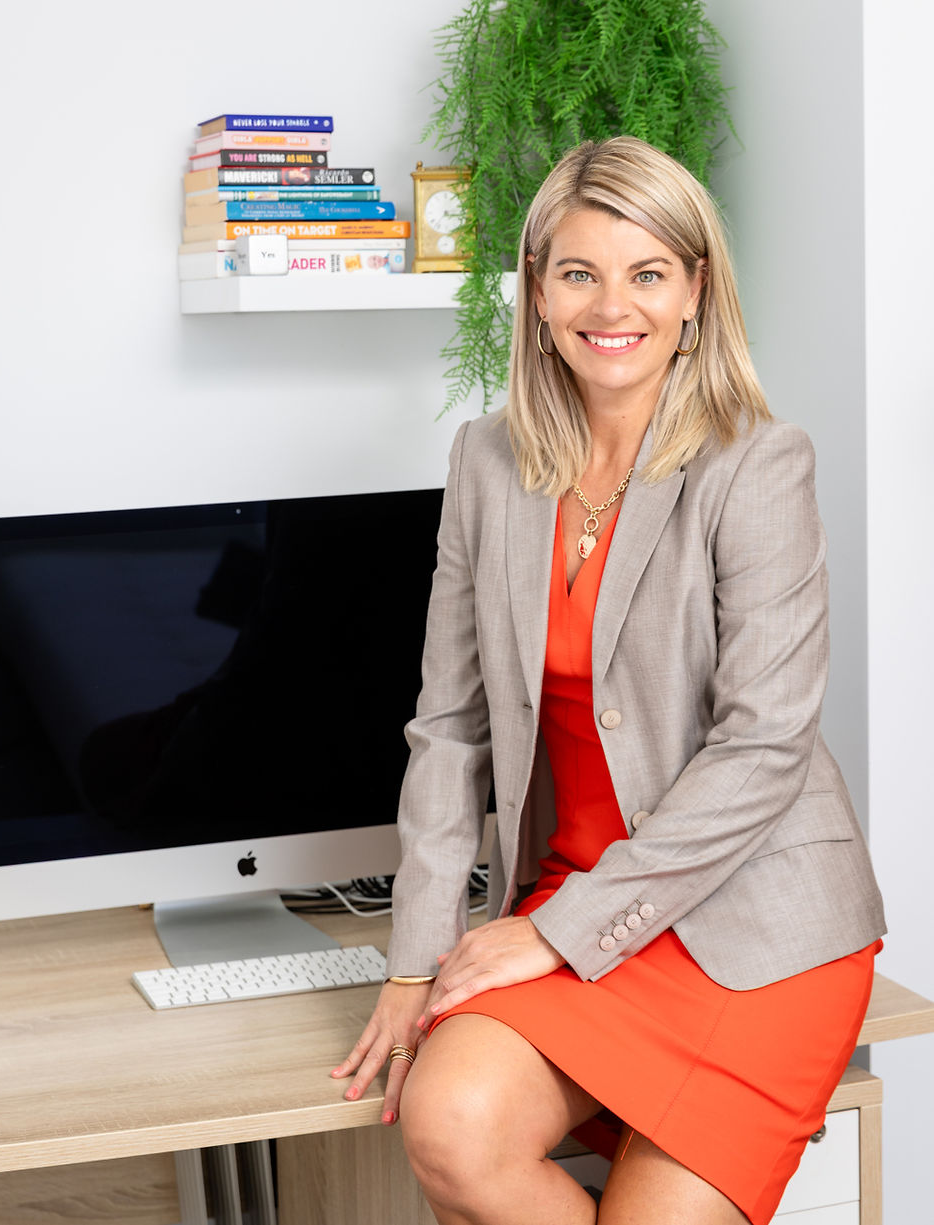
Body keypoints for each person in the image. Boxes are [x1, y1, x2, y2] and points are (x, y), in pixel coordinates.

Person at [331, 136, 886, 1225]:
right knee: (447, 1125)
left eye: (645, 273)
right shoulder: (485, 462)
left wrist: (551, 930)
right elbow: (448, 726)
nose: (608, 305)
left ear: (693, 292)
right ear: (535, 293)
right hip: (567, 902)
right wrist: (412, 962)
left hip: (750, 924)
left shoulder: (755, 462)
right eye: (576, 272)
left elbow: (762, 746)